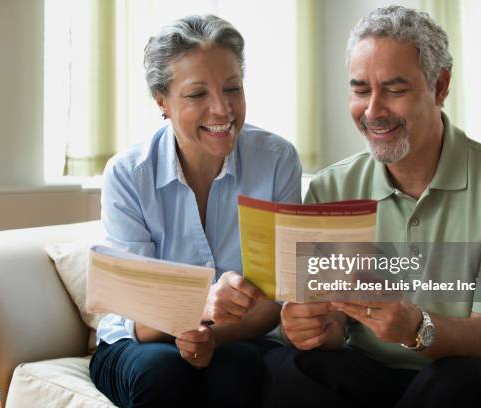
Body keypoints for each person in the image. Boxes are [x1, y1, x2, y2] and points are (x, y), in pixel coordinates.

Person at [263, 5, 481, 408]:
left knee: (453, 383)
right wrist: (319, 327)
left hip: (475, 369)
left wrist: (418, 328)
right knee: (289, 366)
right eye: (361, 90)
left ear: (441, 86)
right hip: (371, 368)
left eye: (394, 90)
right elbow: (333, 316)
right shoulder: (331, 188)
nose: (373, 110)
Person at [89, 15, 302, 408]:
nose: (222, 110)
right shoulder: (128, 174)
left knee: (239, 368)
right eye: (196, 95)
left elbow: (274, 300)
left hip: (236, 336)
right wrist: (197, 308)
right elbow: (138, 317)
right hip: (140, 338)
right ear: (162, 102)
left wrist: (212, 334)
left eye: (232, 88)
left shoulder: (276, 160)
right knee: (162, 372)